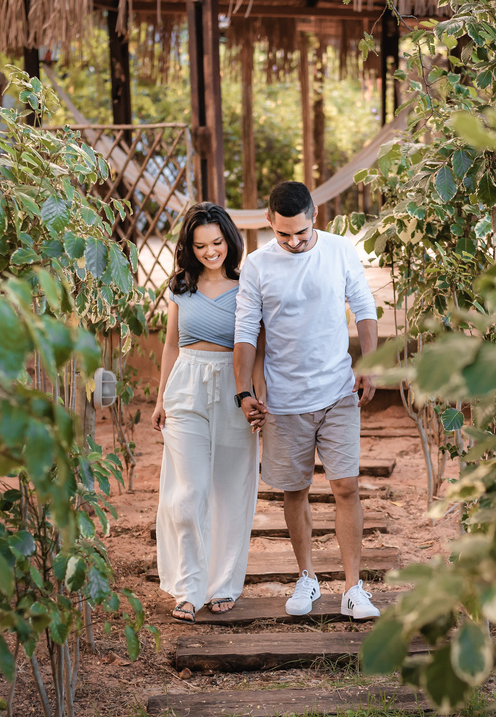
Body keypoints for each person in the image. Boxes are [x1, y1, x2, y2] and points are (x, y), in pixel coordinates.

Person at [232, 181, 381, 620]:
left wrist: (370, 363)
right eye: (284, 235)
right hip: (283, 399)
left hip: (337, 391)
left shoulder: (339, 251)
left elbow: (365, 306)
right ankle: (307, 578)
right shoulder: (258, 266)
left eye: (300, 233)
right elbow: (245, 332)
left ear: (315, 215)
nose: (294, 242)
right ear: (269, 223)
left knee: (346, 486)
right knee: (294, 492)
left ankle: (354, 588)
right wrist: (245, 391)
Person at [153, 203, 265, 624]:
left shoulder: (247, 285)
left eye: (216, 242)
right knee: (190, 492)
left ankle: (223, 586)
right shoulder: (181, 286)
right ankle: (188, 586)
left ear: (229, 241)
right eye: (200, 245)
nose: (209, 251)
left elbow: (259, 349)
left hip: (234, 387)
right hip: (186, 387)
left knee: (230, 490)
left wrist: (256, 396)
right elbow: (170, 343)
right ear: (190, 246)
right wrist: (161, 397)